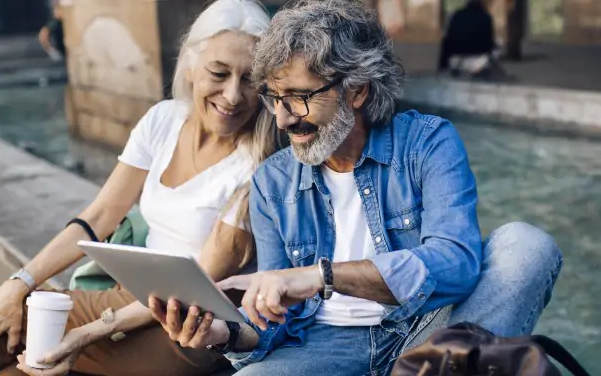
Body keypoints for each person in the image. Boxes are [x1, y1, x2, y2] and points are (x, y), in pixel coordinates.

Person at [149, 1, 562, 375]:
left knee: (526, 245)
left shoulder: (427, 143)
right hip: (323, 345)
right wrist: (224, 333)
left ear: (358, 90)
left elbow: (456, 264)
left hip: (429, 329)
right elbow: (278, 324)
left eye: (298, 97)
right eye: (275, 98)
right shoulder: (271, 182)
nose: (283, 119)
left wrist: (322, 276)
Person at [0, 1, 281, 375]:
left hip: (191, 326)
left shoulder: (260, 163)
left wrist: (85, 334)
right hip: (130, 297)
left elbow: (199, 284)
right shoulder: (163, 121)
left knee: (9, 343)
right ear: (191, 65)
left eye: (249, 80)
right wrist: (17, 284)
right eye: (219, 73)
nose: (232, 95)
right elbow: (98, 215)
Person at [438, 0, 502, 78]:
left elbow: (447, 41)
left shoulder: (457, 15)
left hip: (456, 58)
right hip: (478, 58)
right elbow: (487, 44)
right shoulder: (486, 17)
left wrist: (442, 65)